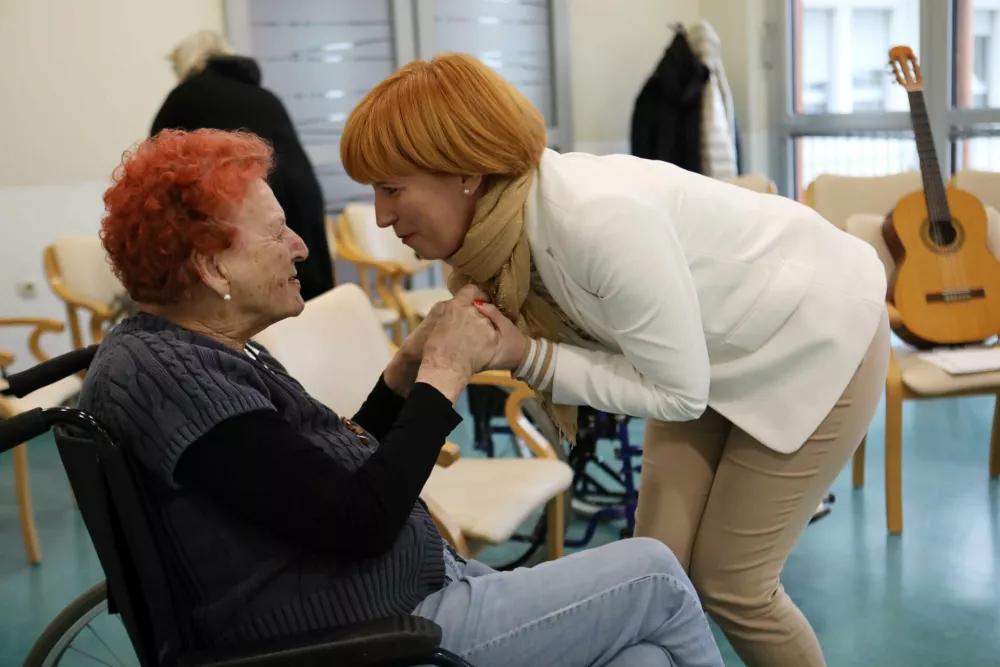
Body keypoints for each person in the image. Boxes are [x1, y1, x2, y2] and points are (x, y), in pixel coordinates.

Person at [79, 128, 724, 667]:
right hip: (374, 633)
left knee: (647, 659)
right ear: (212, 267)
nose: (300, 247)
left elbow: (314, 486)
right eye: (276, 234)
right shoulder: (176, 382)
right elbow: (358, 520)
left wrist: (404, 372)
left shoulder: (194, 354)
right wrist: (444, 374)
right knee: (656, 574)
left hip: (403, 594)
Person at [339, 53, 891, 667]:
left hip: (814, 333)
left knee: (734, 586)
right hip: (707, 356)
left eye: (391, 189)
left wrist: (529, 356)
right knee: (652, 568)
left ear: (467, 172)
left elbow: (678, 393)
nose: (382, 216)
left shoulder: (595, 220)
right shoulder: (501, 241)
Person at [150, 30, 335, 300]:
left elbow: (155, 168)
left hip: (253, 210)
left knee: (259, 302)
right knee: (304, 300)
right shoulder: (265, 96)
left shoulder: (184, 98)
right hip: (301, 206)